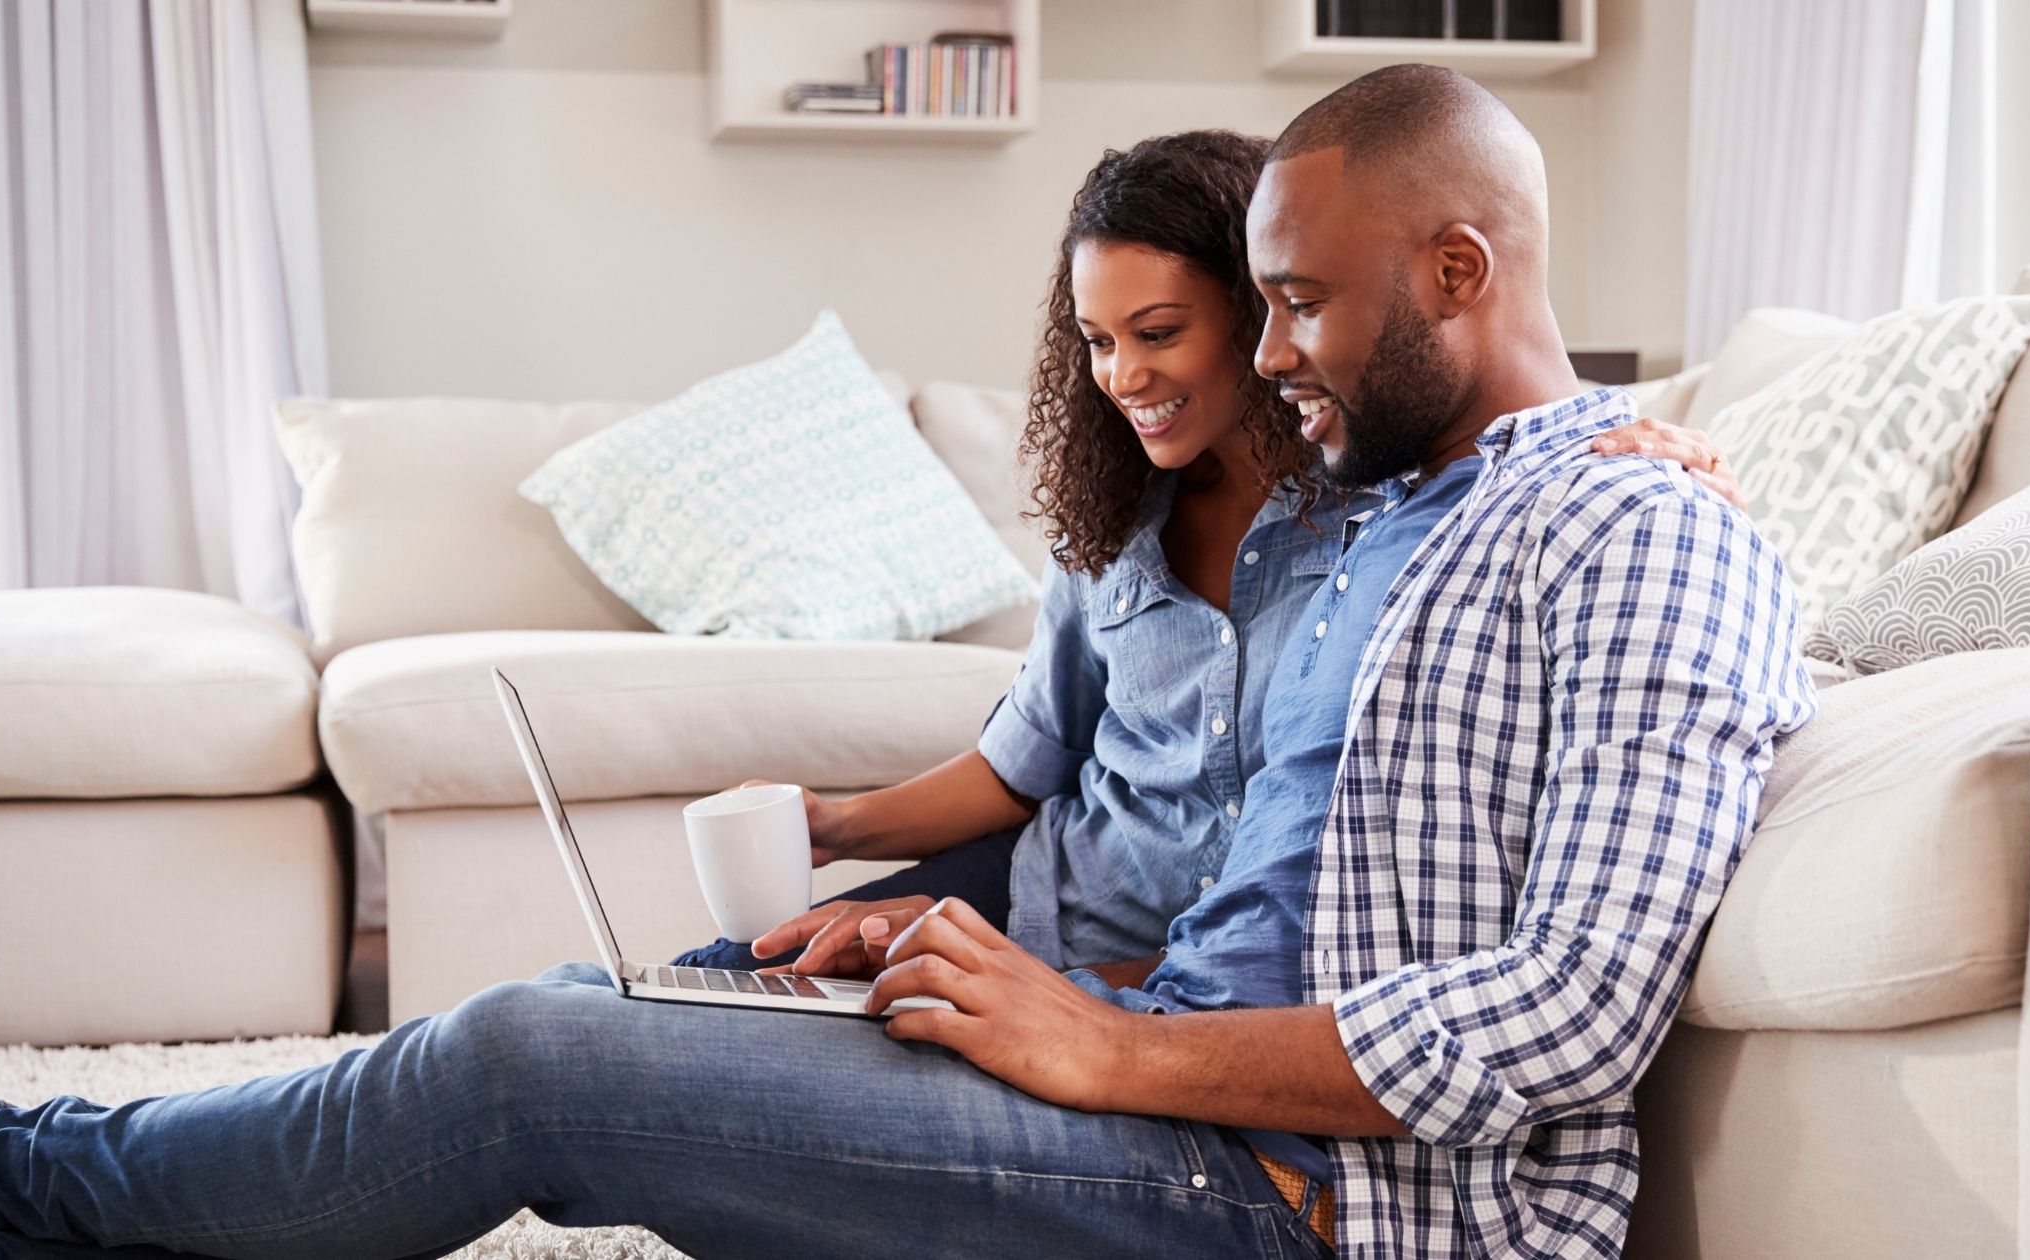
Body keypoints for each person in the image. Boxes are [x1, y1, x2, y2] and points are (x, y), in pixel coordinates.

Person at [0, 66, 1811, 1260]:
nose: (1274, 355)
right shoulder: (1372, 503)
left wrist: (1111, 1046)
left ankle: (8, 1168)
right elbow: (1174, 803)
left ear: (1464, 273)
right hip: (1149, 1083)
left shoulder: (1638, 526)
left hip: (1290, 1192)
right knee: (655, 996)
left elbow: (1568, 1014)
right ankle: (98, 1178)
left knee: (532, 1064)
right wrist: (1018, 965)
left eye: (1294, 307)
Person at [679, 131, 1738, 984]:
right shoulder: (1111, 522)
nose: (1122, 375)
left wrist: (1670, 459)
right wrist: (830, 827)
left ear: (1256, 312)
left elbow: (1532, 452)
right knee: (720, 980)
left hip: (1204, 975)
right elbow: (1027, 762)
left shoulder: (1389, 494)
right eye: (1096, 341)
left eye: (1155, 332)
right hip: (1052, 890)